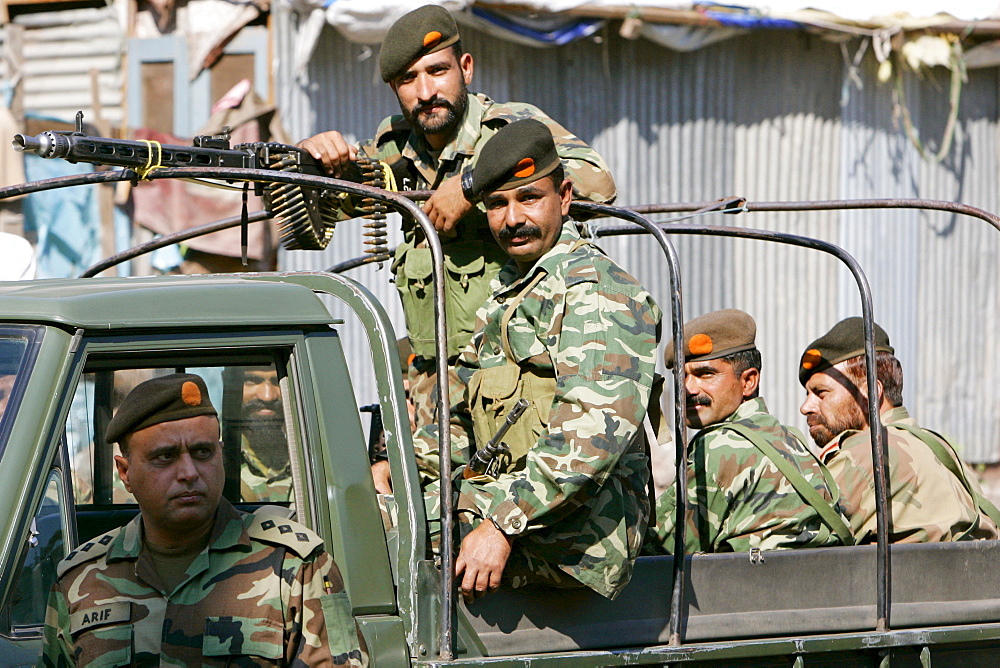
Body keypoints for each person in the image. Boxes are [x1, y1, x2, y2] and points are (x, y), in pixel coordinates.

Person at [299, 5, 617, 454]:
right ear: (394, 88)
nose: (426, 91)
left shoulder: (508, 131)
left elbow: (599, 184)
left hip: (513, 384)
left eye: (438, 71)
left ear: (465, 68)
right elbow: (319, 206)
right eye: (409, 79)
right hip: (433, 392)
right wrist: (309, 159)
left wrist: (472, 186)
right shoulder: (396, 148)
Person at [408, 119, 659, 602]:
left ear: (565, 197)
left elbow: (594, 431)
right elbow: (458, 418)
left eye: (529, 198)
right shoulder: (508, 294)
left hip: (576, 540)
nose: (512, 218)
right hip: (517, 515)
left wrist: (500, 525)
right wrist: (395, 470)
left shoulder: (595, 290)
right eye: (498, 204)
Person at [42, 373, 368, 666]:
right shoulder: (80, 579)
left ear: (221, 455)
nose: (189, 473)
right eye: (165, 457)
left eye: (202, 453)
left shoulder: (295, 566)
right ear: (125, 473)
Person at [645, 309, 852, 555]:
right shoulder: (789, 438)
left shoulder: (719, 446)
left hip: (754, 587)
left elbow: (660, 548)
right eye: (681, 376)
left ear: (748, 382)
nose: (688, 388)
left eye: (705, 374)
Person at [798, 317, 1000, 543]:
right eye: (807, 394)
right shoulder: (938, 448)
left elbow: (790, 543)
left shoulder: (867, 454)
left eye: (821, 392)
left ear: (869, 394)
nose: (806, 407)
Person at [236, 366, 292, 503]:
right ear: (230, 384)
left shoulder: (318, 450)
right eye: (252, 381)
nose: (267, 396)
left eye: (277, 381)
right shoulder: (207, 450)